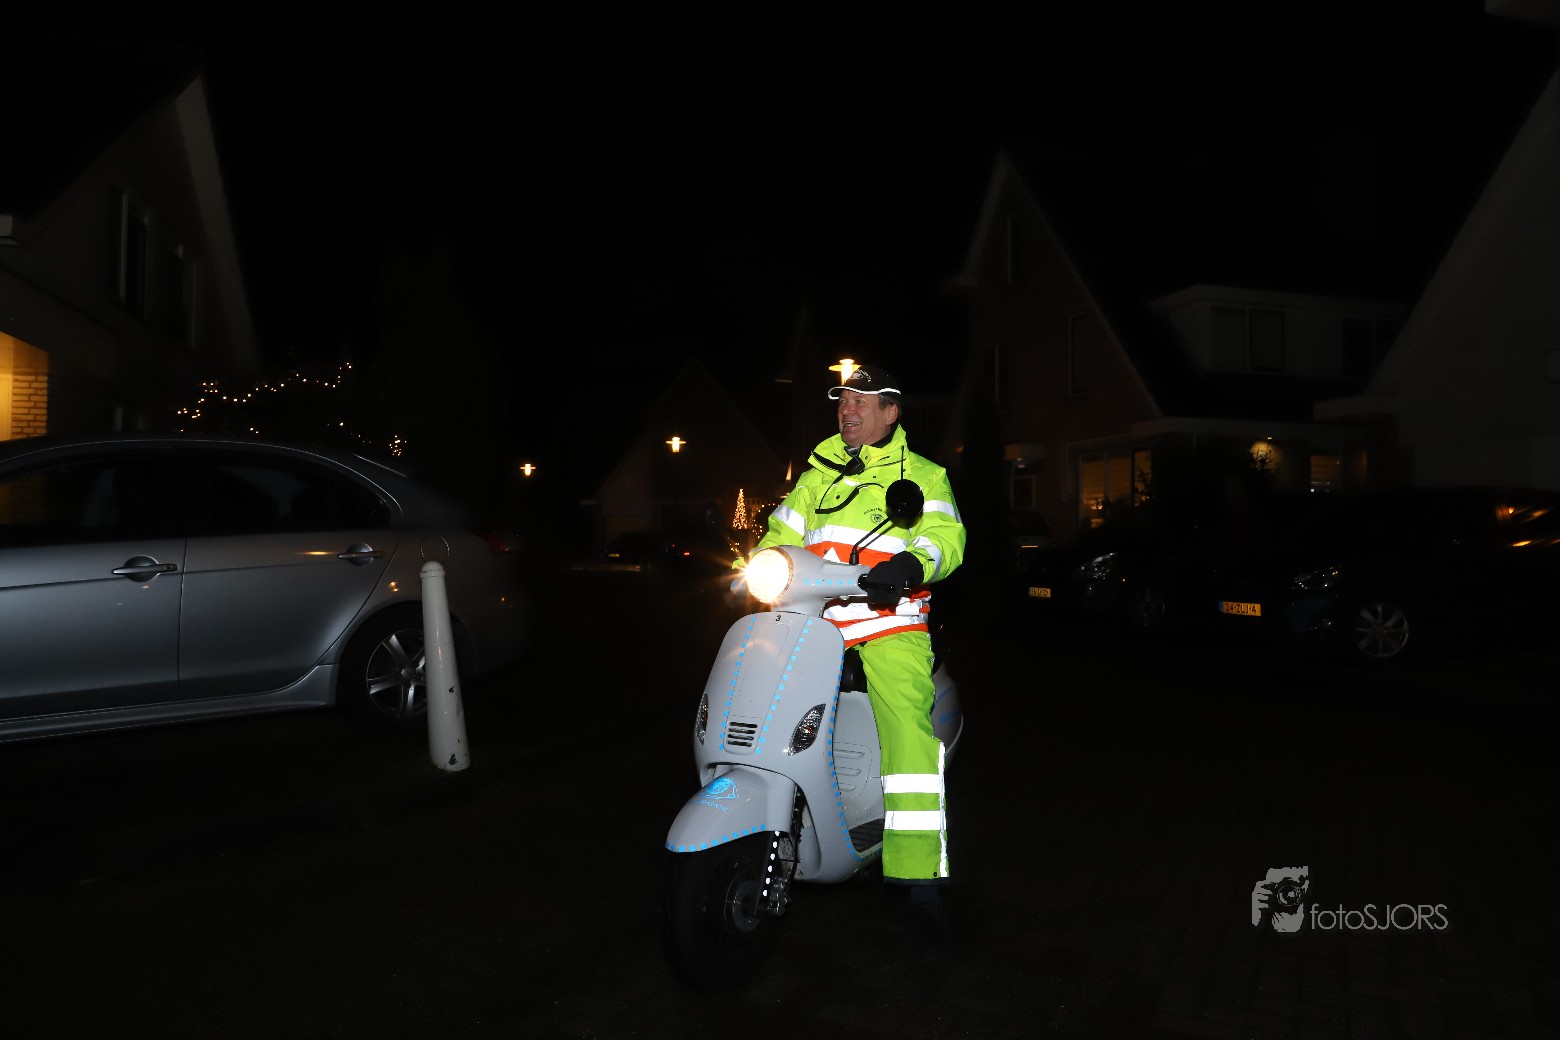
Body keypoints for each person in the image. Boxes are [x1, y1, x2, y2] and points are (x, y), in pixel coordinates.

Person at [745, 365, 966, 952]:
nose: (847, 409)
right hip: (810, 622)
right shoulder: (816, 477)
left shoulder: (923, 475)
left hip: (888, 621)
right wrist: (759, 565)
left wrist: (912, 564)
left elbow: (945, 538)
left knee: (907, 731)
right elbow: (777, 537)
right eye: (843, 400)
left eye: (861, 401)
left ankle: (921, 886)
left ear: (891, 413)